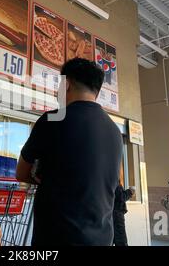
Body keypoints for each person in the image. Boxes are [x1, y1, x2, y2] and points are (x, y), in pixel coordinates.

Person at [16, 58, 123, 246]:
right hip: (103, 239)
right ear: (97, 92)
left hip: (58, 238)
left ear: (67, 85)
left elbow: (21, 173)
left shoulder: (52, 120)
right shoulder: (115, 131)